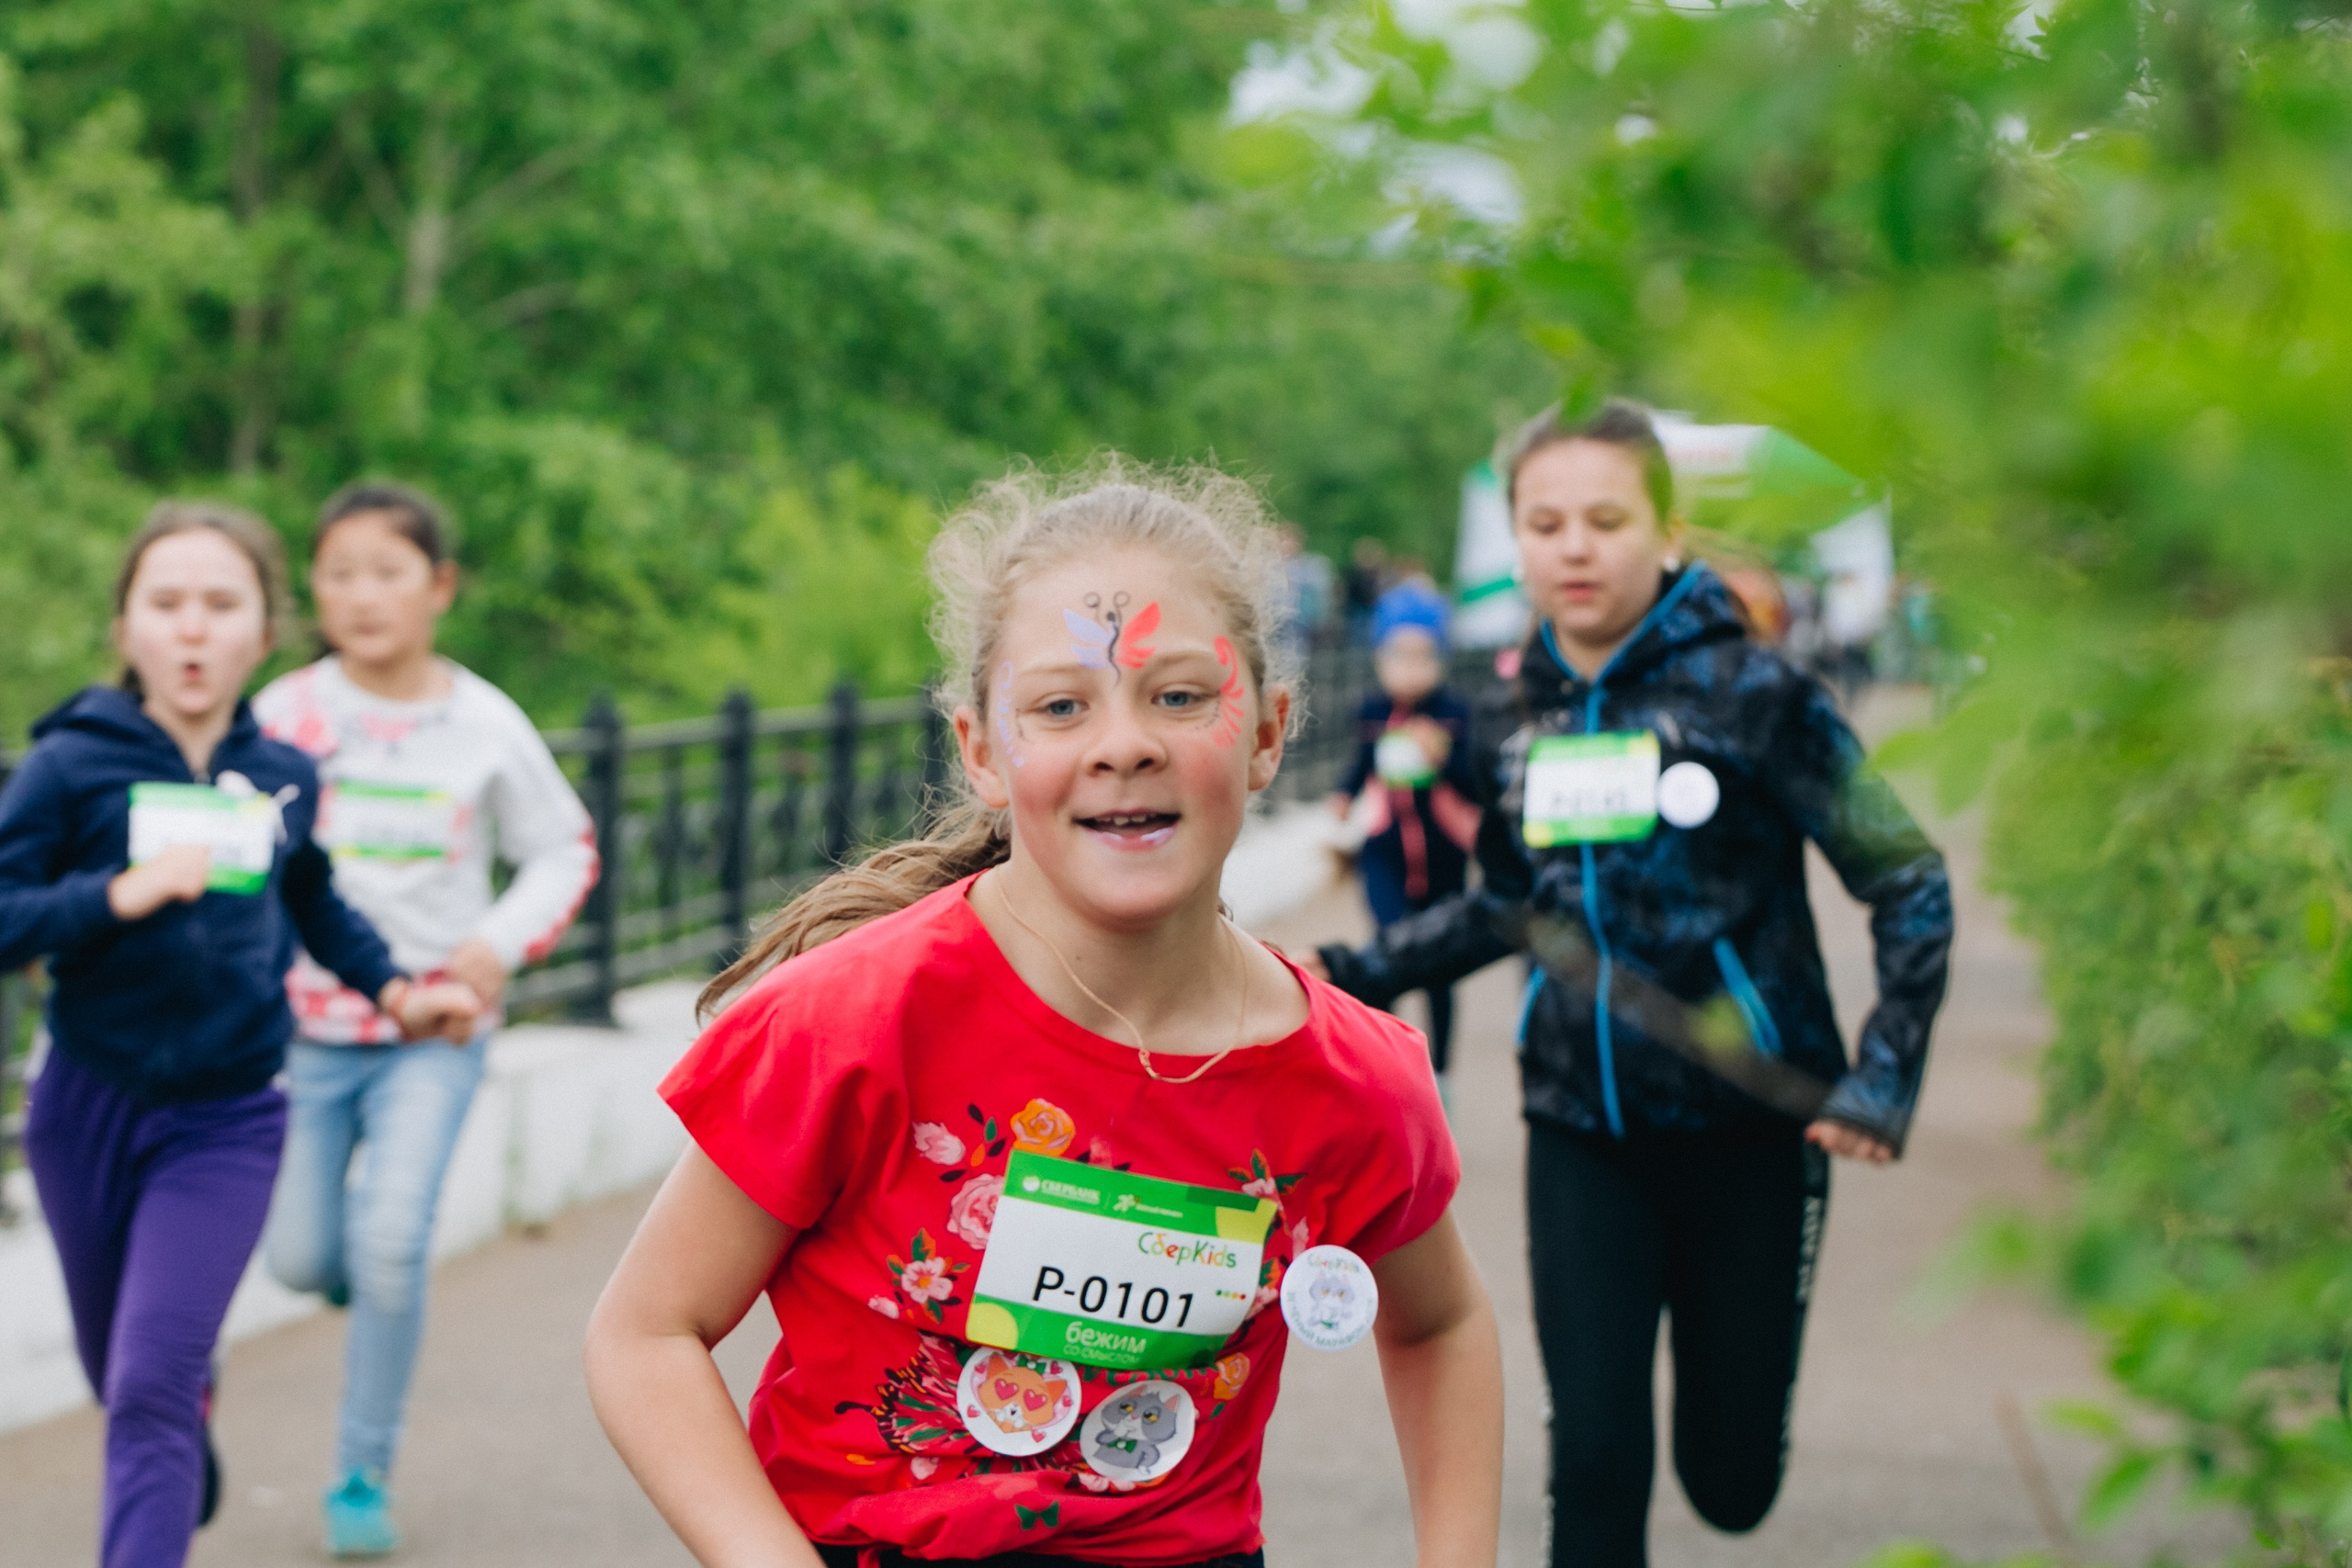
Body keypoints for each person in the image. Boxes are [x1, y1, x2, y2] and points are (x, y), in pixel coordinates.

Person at [583, 463, 1503, 1568]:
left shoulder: (1352, 1079)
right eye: (1061, 707)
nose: (1124, 743)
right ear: (980, 749)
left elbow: (1441, 1322)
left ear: (1267, 733)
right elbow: (645, 1333)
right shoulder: (850, 1023)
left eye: (1179, 696)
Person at [1312, 401, 1954, 1568]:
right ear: (1517, 541)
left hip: (1750, 1127)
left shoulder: (1761, 696)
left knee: (1728, 1480)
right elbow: (1509, 902)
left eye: (1605, 521)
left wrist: (1883, 1073)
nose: (1573, 547)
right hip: (1577, 1131)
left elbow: (1906, 877)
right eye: (1545, 523)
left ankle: (1738, 1437)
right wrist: (1351, 972)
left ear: (1665, 534)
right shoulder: (1512, 711)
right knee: (1595, 1465)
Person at [0, 502, 481, 1568]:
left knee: (147, 1388)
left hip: (227, 1117)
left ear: (264, 635)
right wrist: (115, 895)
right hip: (85, 1104)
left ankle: (171, 1420)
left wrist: (399, 993)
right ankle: (182, 1418)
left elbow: (316, 904)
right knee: (123, 1379)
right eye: (165, 602)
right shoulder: (68, 767)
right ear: (125, 626)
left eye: (221, 604)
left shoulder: (284, 777)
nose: (192, 627)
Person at [253, 482, 599, 1558]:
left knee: (392, 1241)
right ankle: (362, 1274)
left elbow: (562, 848)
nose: (363, 596)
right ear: (314, 590)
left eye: (387, 573)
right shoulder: (283, 715)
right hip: (303, 1033)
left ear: (439, 586)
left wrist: (495, 946)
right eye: (340, 574)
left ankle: (362, 1472)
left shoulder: (484, 721)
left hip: (434, 1036)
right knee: (301, 1260)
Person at [1327, 579, 1479, 1097]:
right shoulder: (1372, 713)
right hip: (1385, 854)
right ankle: (1386, 1070)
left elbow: (1473, 783)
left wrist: (1444, 756)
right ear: (1380, 658)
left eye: (1422, 655)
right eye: (1399, 655)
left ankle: (1441, 1073)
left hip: (1443, 858)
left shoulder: (1455, 713)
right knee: (1388, 951)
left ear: (1440, 658)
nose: (1410, 667)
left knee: (1439, 966)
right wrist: (1343, 795)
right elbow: (1362, 762)